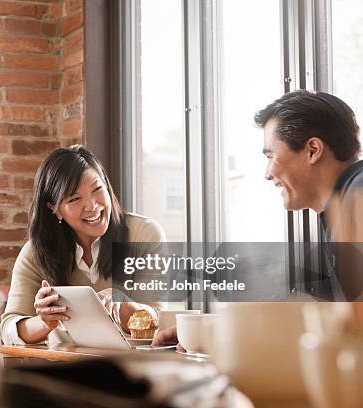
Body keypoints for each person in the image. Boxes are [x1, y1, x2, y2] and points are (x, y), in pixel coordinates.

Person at [153, 90, 362, 346]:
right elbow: (329, 322)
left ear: (313, 150)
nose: (268, 173)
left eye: (271, 156)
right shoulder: (342, 208)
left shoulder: (358, 195)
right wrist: (214, 330)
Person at [0, 145, 166, 345]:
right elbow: (9, 328)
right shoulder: (37, 252)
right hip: (63, 369)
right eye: (75, 199)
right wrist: (45, 322)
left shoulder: (144, 235)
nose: (93, 206)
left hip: (128, 368)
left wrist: (123, 304)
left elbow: (159, 320)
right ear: (55, 209)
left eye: (97, 189)